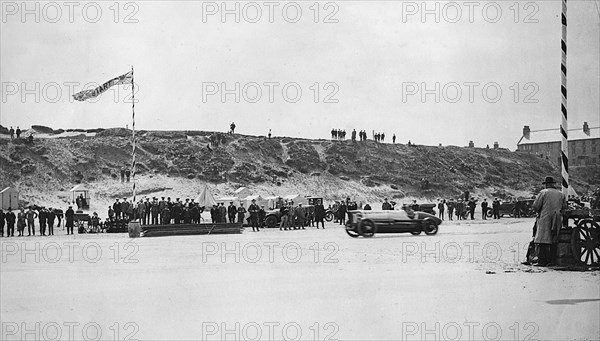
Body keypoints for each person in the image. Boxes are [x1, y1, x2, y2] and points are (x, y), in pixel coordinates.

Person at [530, 176, 567, 266]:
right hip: (557, 218)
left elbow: (535, 206)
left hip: (545, 218)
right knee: (554, 238)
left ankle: (542, 261)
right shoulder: (561, 194)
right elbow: (565, 207)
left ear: (546, 184)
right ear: (553, 184)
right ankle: (552, 260)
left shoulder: (543, 193)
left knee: (542, 239)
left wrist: (539, 211)